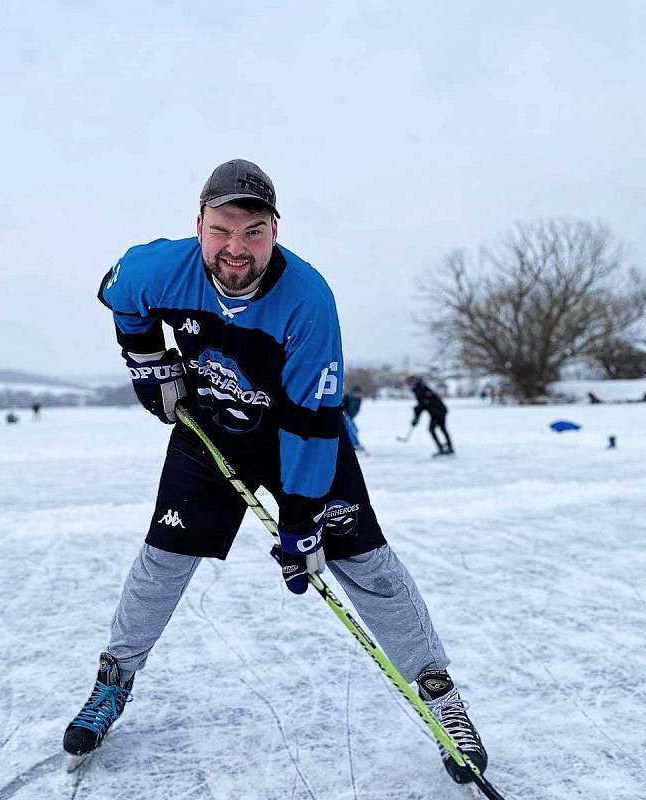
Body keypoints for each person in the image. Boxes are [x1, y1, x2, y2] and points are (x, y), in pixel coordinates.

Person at [63, 159, 487, 782]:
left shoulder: (308, 300)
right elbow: (117, 295)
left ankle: (438, 692)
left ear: (275, 230)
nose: (236, 248)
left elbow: (315, 420)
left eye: (253, 231)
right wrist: (149, 362)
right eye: (222, 230)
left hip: (300, 441)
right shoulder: (158, 267)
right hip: (211, 434)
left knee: (367, 563)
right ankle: (113, 681)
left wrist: (303, 521)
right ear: (199, 226)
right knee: (163, 560)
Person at [407, 375, 454, 456]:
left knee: (433, 429)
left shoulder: (419, 390)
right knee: (441, 429)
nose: (408, 386)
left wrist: (416, 418)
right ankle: (448, 447)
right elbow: (421, 405)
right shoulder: (421, 388)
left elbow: (421, 405)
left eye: (409, 384)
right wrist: (416, 417)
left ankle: (444, 448)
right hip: (438, 411)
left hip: (437, 412)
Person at [342, 385, 365, 451]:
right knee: (352, 431)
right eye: (356, 393)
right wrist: (344, 411)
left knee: (355, 430)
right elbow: (343, 404)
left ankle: (354, 444)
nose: (358, 395)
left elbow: (356, 409)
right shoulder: (348, 397)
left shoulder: (359, 399)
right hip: (346, 416)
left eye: (359, 393)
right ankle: (355, 445)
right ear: (353, 393)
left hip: (351, 416)